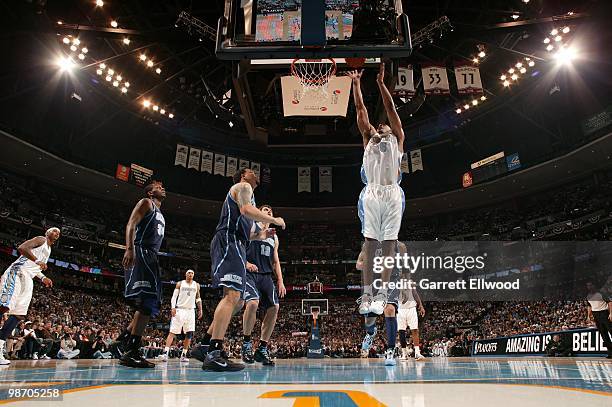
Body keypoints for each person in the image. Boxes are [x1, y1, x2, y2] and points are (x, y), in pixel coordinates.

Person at [202, 168, 285, 372]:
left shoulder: (250, 198)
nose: (255, 173)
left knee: (236, 299)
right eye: (250, 171)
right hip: (229, 241)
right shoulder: (243, 187)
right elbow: (246, 210)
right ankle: (213, 351)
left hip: (237, 243)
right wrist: (274, 220)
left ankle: (206, 347)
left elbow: (249, 234)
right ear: (242, 176)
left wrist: (263, 233)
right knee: (232, 297)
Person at [347, 63, 405, 316]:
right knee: (371, 243)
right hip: (371, 193)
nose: (380, 126)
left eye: (384, 125)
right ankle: (368, 293)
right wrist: (356, 84)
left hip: (392, 193)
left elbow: (391, 108)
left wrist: (381, 84)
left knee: (389, 244)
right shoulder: (368, 139)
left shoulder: (398, 139)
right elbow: (360, 110)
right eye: (377, 126)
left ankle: (383, 293)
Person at [120, 180, 166, 368]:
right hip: (141, 252)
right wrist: (130, 249)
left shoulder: (160, 212)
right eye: (157, 186)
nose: (162, 187)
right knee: (146, 302)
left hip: (151, 257)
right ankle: (131, 350)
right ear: (149, 193)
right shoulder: (145, 203)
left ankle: (122, 340)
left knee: (152, 303)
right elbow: (131, 224)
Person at [0, 228, 58, 365]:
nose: (57, 233)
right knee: (4, 306)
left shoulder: (49, 250)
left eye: (59, 233)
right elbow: (22, 248)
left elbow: (35, 268)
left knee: (19, 315)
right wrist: (38, 261)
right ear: (47, 233)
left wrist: (43, 277)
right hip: (17, 272)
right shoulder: (41, 240)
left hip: (28, 278)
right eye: (54, 230)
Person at [241, 205, 286, 366]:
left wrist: (280, 280)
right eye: (264, 210)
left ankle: (262, 348)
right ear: (258, 213)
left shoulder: (274, 237)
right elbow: (238, 248)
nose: (268, 212)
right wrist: (245, 263)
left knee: (274, 307)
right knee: (252, 303)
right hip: (250, 274)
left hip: (266, 275)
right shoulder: (250, 227)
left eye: (270, 211)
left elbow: (275, 260)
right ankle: (246, 344)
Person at [358, 241, 402, 366]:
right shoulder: (368, 245)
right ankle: (371, 333)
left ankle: (390, 350)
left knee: (389, 309)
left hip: (391, 280)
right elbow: (358, 265)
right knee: (369, 321)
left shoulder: (397, 245)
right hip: (373, 282)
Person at [159, 269, 203, 363]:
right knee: (172, 332)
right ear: (185, 274)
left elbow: (198, 298)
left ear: (193, 275)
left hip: (191, 311)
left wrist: (200, 309)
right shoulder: (180, 283)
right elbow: (174, 297)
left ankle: (183, 355)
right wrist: (173, 307)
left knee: (189, 334)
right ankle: (165, 353)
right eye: (189, 273)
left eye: (192, 273)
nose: (190, 274)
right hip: (180, 310)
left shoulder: (197, 285)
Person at [397, 270, 426, 361]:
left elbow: (415, 294)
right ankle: (404, 353)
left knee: (415, 330)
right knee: (401, 332)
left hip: (411, 308)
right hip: (401, 309)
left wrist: (420, 305)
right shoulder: (395, 282)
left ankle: (417, 353)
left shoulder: (410, 282)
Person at [586, 281, 612, 359]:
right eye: (588, 285)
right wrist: (588, 316)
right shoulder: (588, 296)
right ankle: (611, 353)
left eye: (590, 285)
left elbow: (610, 302)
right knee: (604, 335)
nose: (589, 287)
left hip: (604, 313)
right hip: (596, 315)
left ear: (594, 285)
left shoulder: (601, 293)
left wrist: (611, 313)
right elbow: (589, 306)